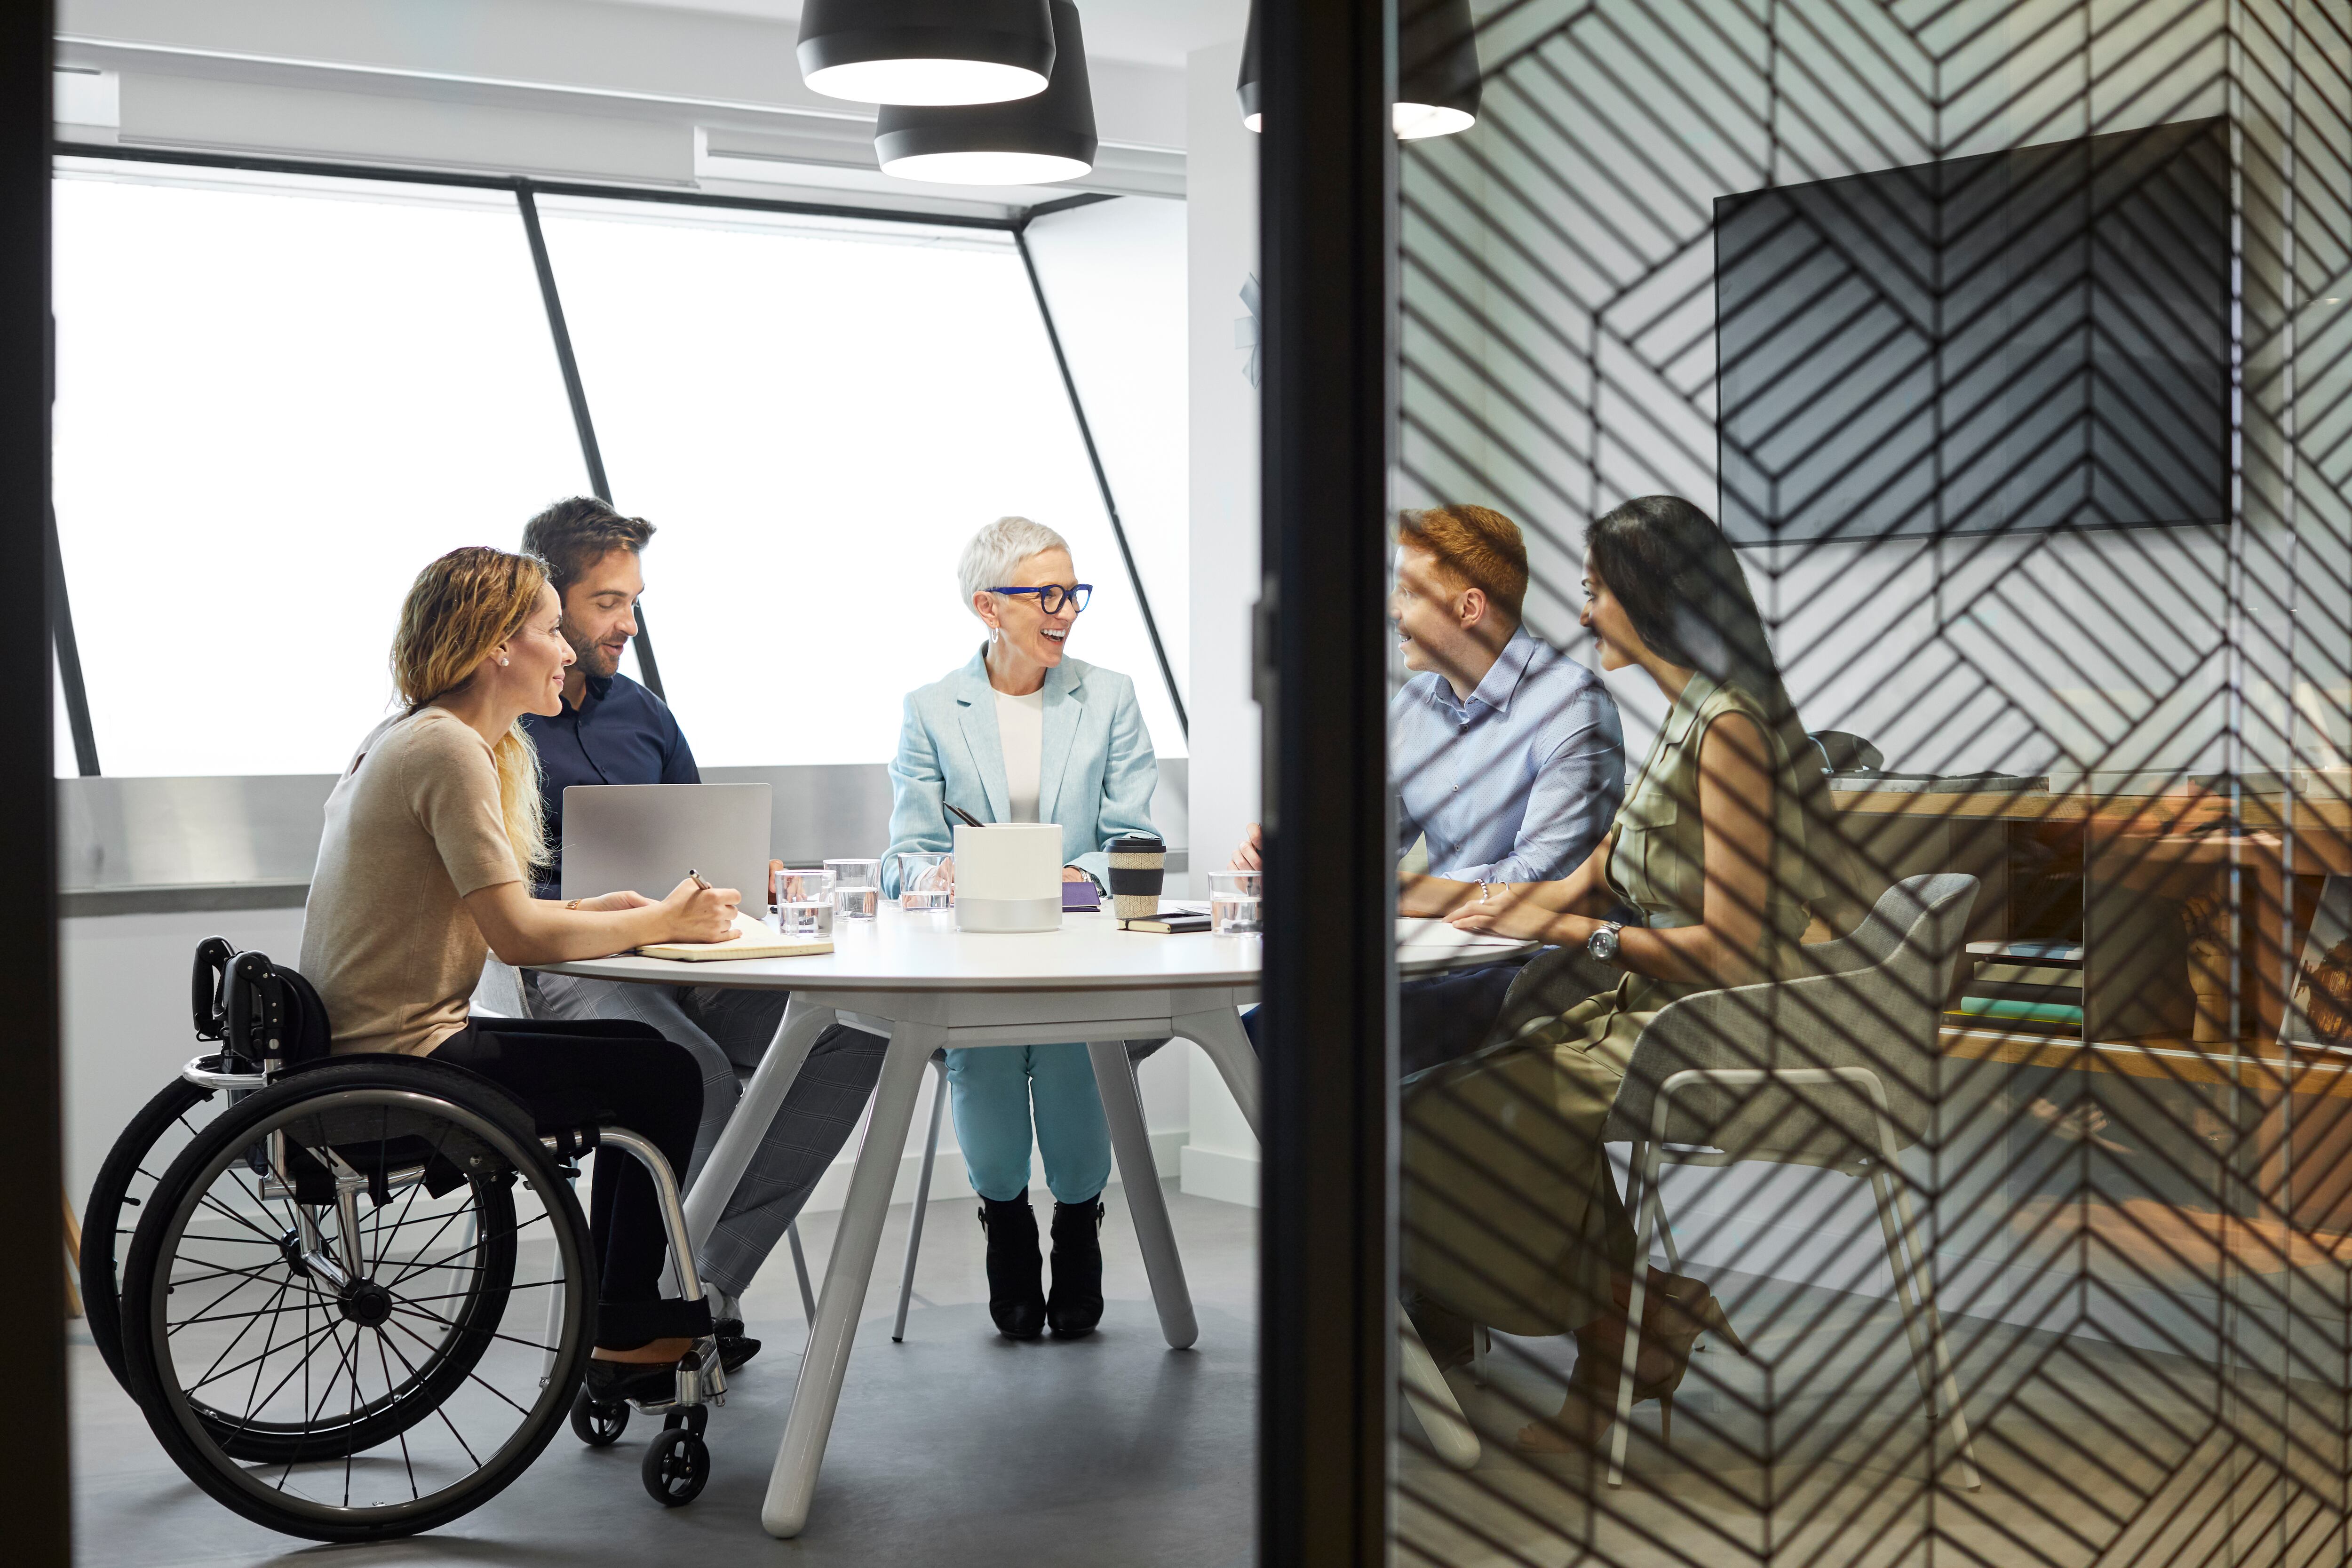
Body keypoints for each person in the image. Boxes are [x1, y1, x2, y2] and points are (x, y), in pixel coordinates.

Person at [1402, 494, 1836, 1453]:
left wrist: (1578, 938)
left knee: (1439, 1120)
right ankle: (1637, 1324)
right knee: (1459, 1091)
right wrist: (1519, 904)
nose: (1585, 611)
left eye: (1596, 590)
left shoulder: (1730, 733)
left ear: (1648, 596)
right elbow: (1607, 861)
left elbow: (1731, 946)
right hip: (1648, 1004)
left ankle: (1620, 1332)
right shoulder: (1689, 713)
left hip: (1704, 1021)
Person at [299, 545, 741, 1405]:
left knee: (638, 1062)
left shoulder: (411, 735)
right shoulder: (450, 750)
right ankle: (623, 1316)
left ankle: (622, 1308)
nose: (569, 650)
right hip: (408, 1055)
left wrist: (606, 910)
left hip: (369, 1042)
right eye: (551, 630)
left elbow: (500, 914)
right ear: (500, 645)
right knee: (666, 1071)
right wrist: (664, 920)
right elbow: (516, 936)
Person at [514, 497, 887, 1372]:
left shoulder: (643, 712)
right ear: (549, 598)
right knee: (691, 1069)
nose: (628, 623)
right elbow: (507, 904)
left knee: (851, 1032)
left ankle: (700, 1287)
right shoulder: (500, 720)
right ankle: (639, 1307)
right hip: (577, 963)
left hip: (687, 955)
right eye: (609, 601)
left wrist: (760, 879)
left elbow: (702, 839)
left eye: (633, 600)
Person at [882, 516, 1160, 1341]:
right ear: (987, 607)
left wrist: (1085, 873)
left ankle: (1078, 1226)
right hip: (977, 948)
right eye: (1046, 593)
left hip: (1078, 943)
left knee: (1076, 1064)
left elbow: (1132, 839)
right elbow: (908, 852)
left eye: (1073, 591)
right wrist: (941, 871)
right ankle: (1005, 1220)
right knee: (987, 1064)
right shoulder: (932, 709)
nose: (1065, 609)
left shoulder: (1109, 696)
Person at [1234, 503, 1627, 1074]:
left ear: (1469, 607)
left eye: (1408, 594)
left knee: (1288, 1034)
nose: (1392, 611)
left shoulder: (1574, 707)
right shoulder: (1414, 705)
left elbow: (1545, 877)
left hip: (1534, 972)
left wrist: (1389, 893)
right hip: (1436, 960)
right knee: (1259, 1032)